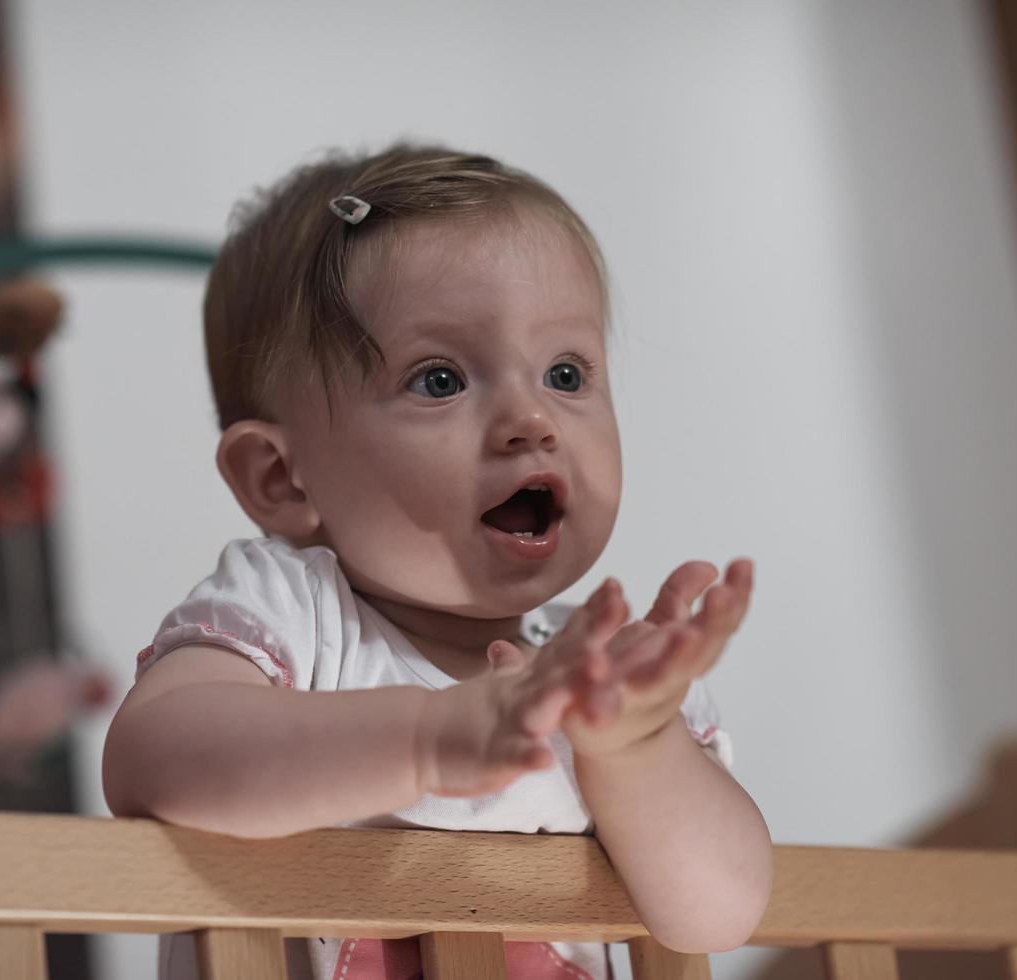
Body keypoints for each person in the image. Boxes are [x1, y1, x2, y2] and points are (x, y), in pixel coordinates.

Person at [102, 143, 773, 980]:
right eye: (439, 380)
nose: (530, 418)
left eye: (564, 371)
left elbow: (721, 909)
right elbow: (154, 757)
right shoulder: (294, 617)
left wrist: (637, 750)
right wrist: (425, 739)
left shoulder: (607, 683)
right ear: (282, 478)